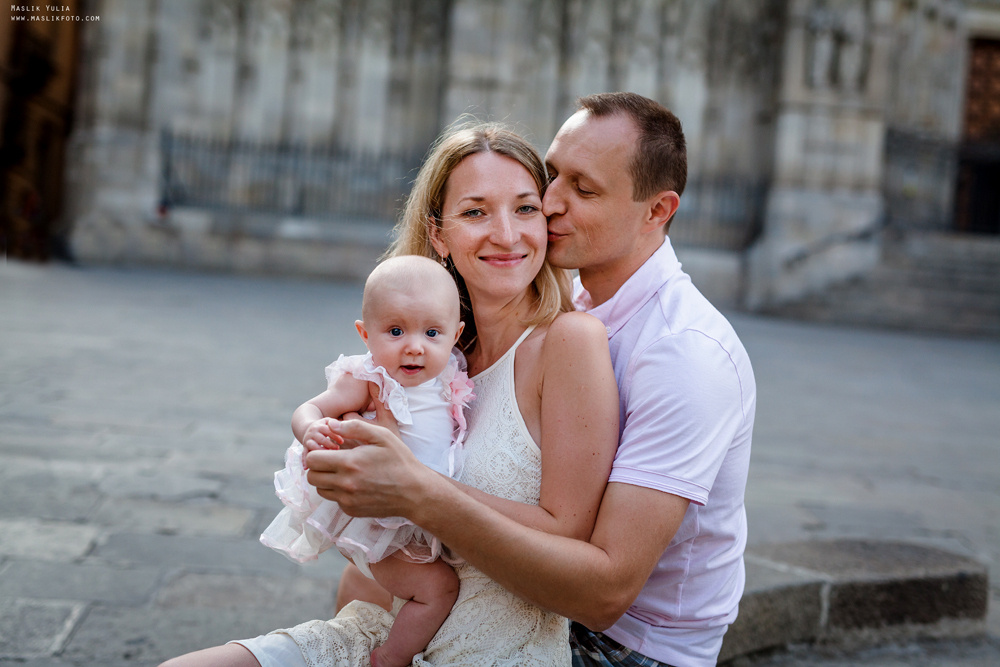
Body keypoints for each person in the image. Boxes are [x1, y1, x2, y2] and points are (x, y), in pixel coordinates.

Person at [308, 92, 757, 667]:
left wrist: (415, 488)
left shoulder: (685, 356)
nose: (548, 204)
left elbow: (604, 595)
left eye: (584, 189)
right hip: (503, 596)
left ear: (657, 210)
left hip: (621, 646)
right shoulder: (551, 300)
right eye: (552, 176)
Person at [159, 122, 620, 667]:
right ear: (439, 234)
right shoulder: (422, 354)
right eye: (475, 212)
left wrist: (411, 486)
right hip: (386, 630)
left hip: (497, 650)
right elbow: (372, 532)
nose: (506, 233)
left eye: (525, 209)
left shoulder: (569, 340)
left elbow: (568, 538)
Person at [258, 255, 474, 667]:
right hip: (380, 526)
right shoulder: (372, 379)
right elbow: (309, 407)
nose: (414, 345)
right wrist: (310, 430)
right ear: (365, 333)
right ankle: (389, 658)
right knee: (437, 589)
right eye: (395, 331)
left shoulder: (449, 377)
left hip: (425, 513)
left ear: (455, 334)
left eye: (432, 332)